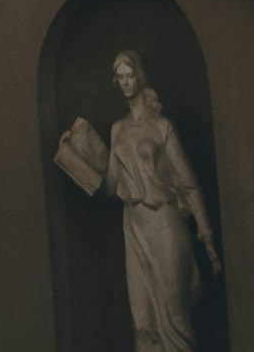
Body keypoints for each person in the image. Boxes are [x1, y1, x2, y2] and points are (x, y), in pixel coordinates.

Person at [48, 47, 217, 352]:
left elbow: (190, 185)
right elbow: (112, 188)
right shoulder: (117, 130)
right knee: (143, 322)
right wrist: (75, 156)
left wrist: (206, 235)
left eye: (130, 74)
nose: (125, 81)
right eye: (120, 77)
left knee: (175, 319)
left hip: (164, 223)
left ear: (140, 75)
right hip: (134, 227)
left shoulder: (161, 127)